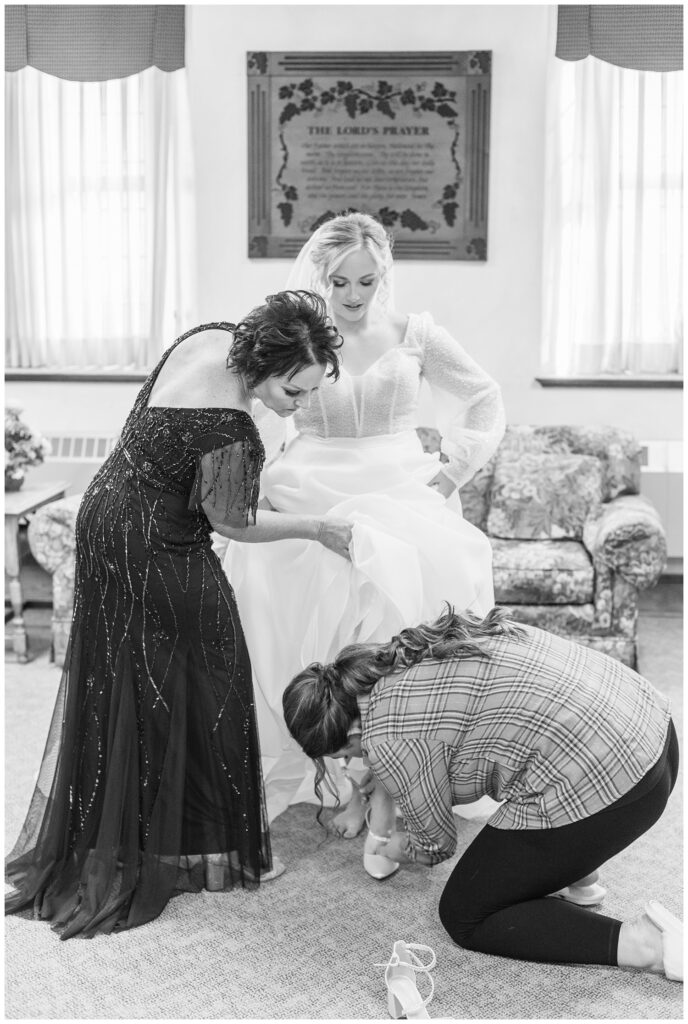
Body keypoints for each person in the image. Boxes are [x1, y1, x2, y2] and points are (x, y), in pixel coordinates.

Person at [5, 290, 348, 939]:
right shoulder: (233, 428)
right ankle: (208, 848)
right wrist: (317, 527)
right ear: (266, 363)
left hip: (103, 515)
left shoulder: (206, 337)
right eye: (294, 391)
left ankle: (143, 832)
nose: (296, 405)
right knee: (215, 673)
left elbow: (177, 458)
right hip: (156, 543)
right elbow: (234, 523)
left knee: (129, 675)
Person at [223, 212, 505, 868]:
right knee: (293, 621)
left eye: (367, 281)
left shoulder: (416, 334)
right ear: (318, 277)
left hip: (403, 487)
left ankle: (384, 780)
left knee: (400, 627)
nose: (353, 295)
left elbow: (485, 398)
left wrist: (453, 466)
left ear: (385, 274)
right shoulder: (299, 338)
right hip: (310, 483)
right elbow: (256, 408)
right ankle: (330, 773)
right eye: (339, 281)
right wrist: (248, 480)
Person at [282, 606, 682, 981]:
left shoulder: (388, 739)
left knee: (464, 914)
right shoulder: (404, 653)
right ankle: (581, 874)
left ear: (352, 733)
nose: (357, 758)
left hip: (620, 787)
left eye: (348, 753)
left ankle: (644, 945)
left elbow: (435, 844)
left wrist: (389, 846)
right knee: (534, 769)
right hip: (655, 732)